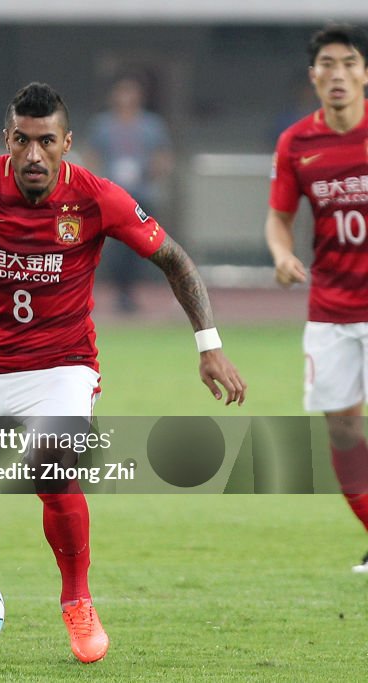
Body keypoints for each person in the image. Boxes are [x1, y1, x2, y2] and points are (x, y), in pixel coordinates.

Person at [0, 82, 246, 664]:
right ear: (6, 141)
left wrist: (208, 345)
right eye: (22, 140)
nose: (33, 154)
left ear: (66, 143)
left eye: (46, 141)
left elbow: (174, 259)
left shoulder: (96, 197)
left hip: (64, 365)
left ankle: (78, 602)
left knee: (51, 458)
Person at [264, 23, 368, 573]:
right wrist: (282, 255)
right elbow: (279, 219)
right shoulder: (297, 143)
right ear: (313, 76)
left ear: (365, 73)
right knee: (343, 431)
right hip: (330, 311)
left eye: (349, 63)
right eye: (327, 64)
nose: (338, 73)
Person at [82, 74, 173, 313]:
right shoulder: (102, 125)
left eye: (131, 93)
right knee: (115, 247)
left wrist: (153, 171)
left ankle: (131, 289)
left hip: (141, 193)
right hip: (111, 196)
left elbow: (163, 156)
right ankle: (121, 291)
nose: (126, 98)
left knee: (139, 245)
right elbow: (91, 156)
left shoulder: (151, 125)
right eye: (121, 92)